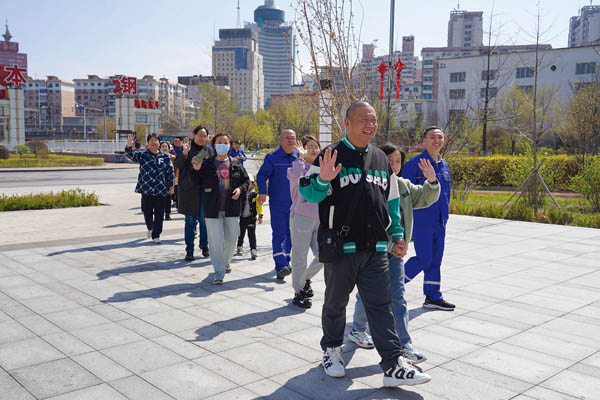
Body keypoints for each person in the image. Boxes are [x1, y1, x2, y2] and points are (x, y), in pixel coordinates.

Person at [299, 101, 431, 387]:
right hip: (341, 247)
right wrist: (323, 180)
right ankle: (332, 350)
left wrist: (397, 234)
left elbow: (391, 202)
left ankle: (393, 364)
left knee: (381, 306)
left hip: (376, 248)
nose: (370, 124)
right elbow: (308, 192)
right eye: (363, 119)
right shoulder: (330, 154)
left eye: (373, 120)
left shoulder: (381, 159)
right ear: (347, 123)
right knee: (335, 303)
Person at [351, 143, 440, 364]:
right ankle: (358, 329)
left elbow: (426, 197)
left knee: (397, 296)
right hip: (373, 249)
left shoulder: (403, 186)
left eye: (398, 161)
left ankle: (404, 344)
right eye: (388, 161)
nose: (393, 165)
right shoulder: (368, 185)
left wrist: (432, 180)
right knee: (368, 293)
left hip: (396, 251)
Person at [402, 126, 454, 311]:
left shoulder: (443, 165)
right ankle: (391, 286)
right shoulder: (415, 164)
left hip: (440, 221)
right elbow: (404, 190)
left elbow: (446, 193)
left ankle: (433, 296)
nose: (437, 140)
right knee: (424, 258)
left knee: (436, 259)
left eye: (440, 137)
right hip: (422, 220)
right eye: (432, 137)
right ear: (424, 141)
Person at [192, 133, 249, 284]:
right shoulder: (207, 164)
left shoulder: (236, 163)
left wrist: (240, 190)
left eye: (225, 142)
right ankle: (219, 271)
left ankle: (226, 262)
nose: (222, 145)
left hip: (231, 207)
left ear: (230, 146)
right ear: (214, 145)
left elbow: (245, 181)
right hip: (212, 208)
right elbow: (196, 182)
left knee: (232, 237)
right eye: (219, 142)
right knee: (215, 241)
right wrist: (196, 169)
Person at [256, 129, 299, 280]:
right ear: (281, 139)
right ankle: (280, 266)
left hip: (296, 203)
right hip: (278, 203)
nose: (290, 141)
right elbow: (261, 175)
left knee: (291, 233)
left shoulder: (298, 157)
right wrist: (262, 192)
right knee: (279, 233)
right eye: (287, 138)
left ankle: (286, 261)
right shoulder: (272, 157)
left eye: (293, 138)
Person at [287, 136, 323, 309]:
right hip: (301, 216)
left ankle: (306, 278)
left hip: (321, 219)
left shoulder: (323, 169)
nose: (314, 150)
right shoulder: (297, 166)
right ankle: (299, 291)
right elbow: (297, 182)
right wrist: (300, 159)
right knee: (299, 257)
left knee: (324, 255)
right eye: (310, 147)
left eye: (316, 146)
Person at [125, 133, 174, 244]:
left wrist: (171, 186)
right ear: (148, 143)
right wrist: (129, 145)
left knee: (159, 214)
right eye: (151, 140)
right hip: (146, 189)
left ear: (159, 143)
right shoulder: (143, 155)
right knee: (147, 212)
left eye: (155, 140)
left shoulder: (165, 157)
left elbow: (170, 172)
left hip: (161, 190)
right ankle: (150, 228)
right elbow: (130, 154)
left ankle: (156, 235)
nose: (153, 142)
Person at [174, 126, 212, 261]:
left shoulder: (208, 151)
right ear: (193, 135)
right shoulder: (187, 148)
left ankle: (204, 245)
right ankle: (189, 249)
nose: (202, 138)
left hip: (204, 190)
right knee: (190, 220)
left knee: (204, 220)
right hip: (189, 190)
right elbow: (178, 164)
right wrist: (184, 153)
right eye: (200, 135)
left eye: (204, 136)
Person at [236, 175, 263, 260]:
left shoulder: (255, 194)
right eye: (246, 182)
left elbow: (259, 206)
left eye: (249, 183)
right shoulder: (241, 193)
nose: (248, 184)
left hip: (251, 218)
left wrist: (260, 215)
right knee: (241, 234)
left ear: (253, 184)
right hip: (242, 217)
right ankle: (239, 246)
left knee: (252, 235)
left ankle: (253, 250)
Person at [160, 141, 176, 221]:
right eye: (162, 146)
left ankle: (167, 214)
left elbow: (176, 168)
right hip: (160, 180)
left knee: (168, 198)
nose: (164, 148)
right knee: (160, 199)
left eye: (166, 146)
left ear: (169, 149)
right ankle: (160, 213)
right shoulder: (158, 157)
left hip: (169, 180)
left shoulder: (172, 157)